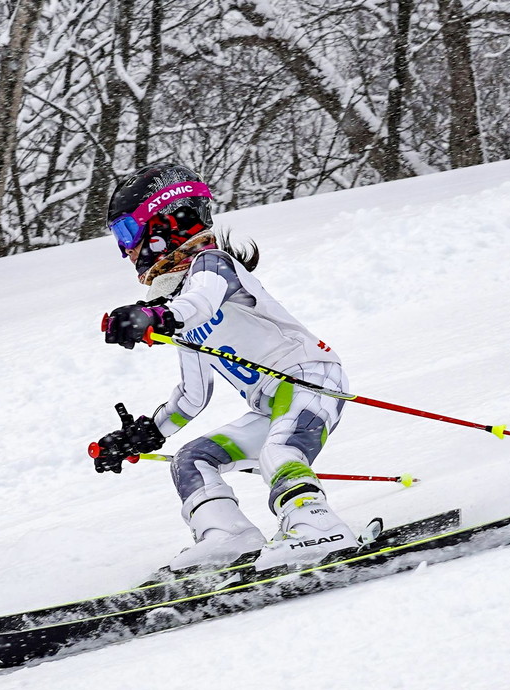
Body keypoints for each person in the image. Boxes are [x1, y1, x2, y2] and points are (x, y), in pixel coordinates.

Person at [94, 162, 358, 572]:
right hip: (270, 405)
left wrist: (156, 318)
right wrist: (144, 434)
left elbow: (198, 303)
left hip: (311, 380)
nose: (125, 250)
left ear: (164, 224)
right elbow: (192, 396)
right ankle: (228, 539)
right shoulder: (176, 306)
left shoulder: (212, 265)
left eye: (127, 232)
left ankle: (315, 524)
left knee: (281, 450)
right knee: (192, 459)